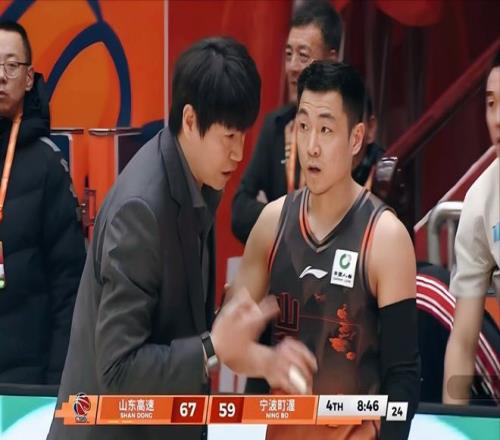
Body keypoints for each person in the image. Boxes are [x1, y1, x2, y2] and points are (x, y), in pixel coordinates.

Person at [47, 37, 316, 440]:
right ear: (190, 120)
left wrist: (255, 354)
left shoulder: (196, 179)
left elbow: (175, 326)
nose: (239, 153)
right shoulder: (140, 210)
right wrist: (212, 347)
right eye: (229, 136)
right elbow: (117, 371)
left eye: (243, 135)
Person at [230, 61, 420, 439]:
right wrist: (258, 356)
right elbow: (230, 343)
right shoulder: (270, 225)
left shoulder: (386, 238)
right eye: (303, 127)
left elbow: (403, 378)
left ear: (356, 139)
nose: (311, 146)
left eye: (326, 129)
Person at [0, 21, 85, 385]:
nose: (1, 76)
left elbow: (70, 285)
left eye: (11, 65)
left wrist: (54, 385)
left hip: (25, 378)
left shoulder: (47, 164)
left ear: (28, 78)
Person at [231, 0, 342, 244]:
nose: (292, 67)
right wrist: (290, 218)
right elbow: (239, 211)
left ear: (331, 60)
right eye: (289, 54)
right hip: (283, 261)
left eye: (303, 56)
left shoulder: (348, 130)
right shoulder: (276, 126)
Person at [443, 51, 500, 405]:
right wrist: (452, 421)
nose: (497, 119)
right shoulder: (480, 200)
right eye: (491, 104)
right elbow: (463, 343)